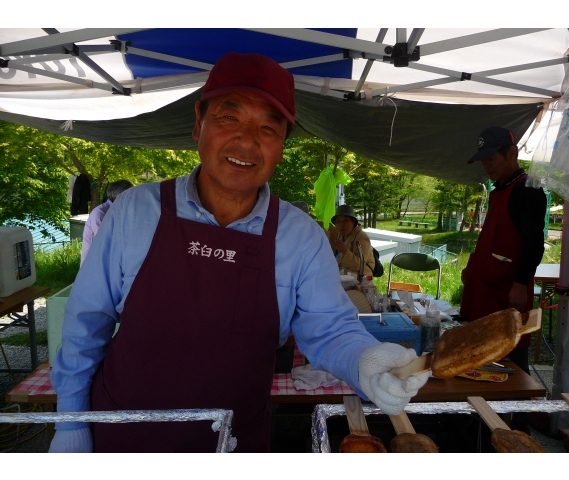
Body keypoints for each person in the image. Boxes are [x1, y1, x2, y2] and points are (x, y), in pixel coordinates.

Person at [49, 52, 429, 453]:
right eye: (229, 118)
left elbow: (330, 330)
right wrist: (71, 421)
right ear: (198, 123)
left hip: (235, 443)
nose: (247, 141)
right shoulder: (135, 211)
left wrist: (365, 362)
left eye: (268, 127)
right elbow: (85, 323)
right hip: (125, 434)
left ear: (282, 145)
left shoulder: (300, 236)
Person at [460, 126, 547, 382]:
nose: (486, 165)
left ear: (512, 152)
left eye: (491, 158)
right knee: (484, 359)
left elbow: (534, 243)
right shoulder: (499, 189)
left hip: (507, 293)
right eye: (482, 160)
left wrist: (520, 284)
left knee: (511, 359)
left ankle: (520, 415)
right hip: (485, 289)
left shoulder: (527, 190)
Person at [80, 180, 133, 265]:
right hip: (93, 264)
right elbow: (106, 241)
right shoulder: (100, 213)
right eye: (130, 195)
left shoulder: (120, 211)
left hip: (107, 261)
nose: (132, 199)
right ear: (120, 196)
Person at [327, 204, 375, 276]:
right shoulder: (339, 235)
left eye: (345, 221)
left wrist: (345, 252)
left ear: (353, 222)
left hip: (361, 277)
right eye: (338, 221)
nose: (341, 224)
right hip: (342, 274)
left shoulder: (362, 237)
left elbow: (360, 266)